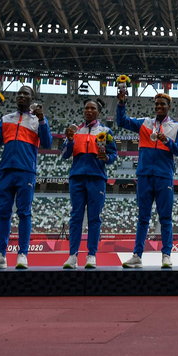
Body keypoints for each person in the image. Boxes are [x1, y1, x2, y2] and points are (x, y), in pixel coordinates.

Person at [0, 85, 52, 269]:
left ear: (33, 98)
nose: (21, 96)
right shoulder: (5, 119)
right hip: (5, 170)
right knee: (3, 213)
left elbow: (47, 143)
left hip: (26, 171)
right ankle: (0, 255)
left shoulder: (37, 121)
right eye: (19, 93)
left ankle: (22, 254)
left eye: (26, 94)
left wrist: (43, 119)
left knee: (24, 213)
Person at [117, 90, 178, 268]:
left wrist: (167, 142)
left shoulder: (177, 127)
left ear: (169, 107)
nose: (159, 107)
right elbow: (122, 121)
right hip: (144, 175)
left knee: (165, 218)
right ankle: (137, 255)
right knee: (143, 217)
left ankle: (166, 255)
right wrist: (121, 103)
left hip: (164, 176)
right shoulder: (145, 123)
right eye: (156, 104)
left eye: (162, 104)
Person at [61, 99, 118, 269]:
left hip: (96, 178)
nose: (89, 111)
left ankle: (91, 255)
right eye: (86, 108)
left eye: (93, 108)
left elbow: (114, 155)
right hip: (77, 178)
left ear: (98, 112)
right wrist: (70, 140)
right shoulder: (75, 130)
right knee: (76, 217)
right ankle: (72, 256)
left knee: (94, 218)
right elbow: (64, 154)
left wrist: (106, 158)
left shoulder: (106, 131)